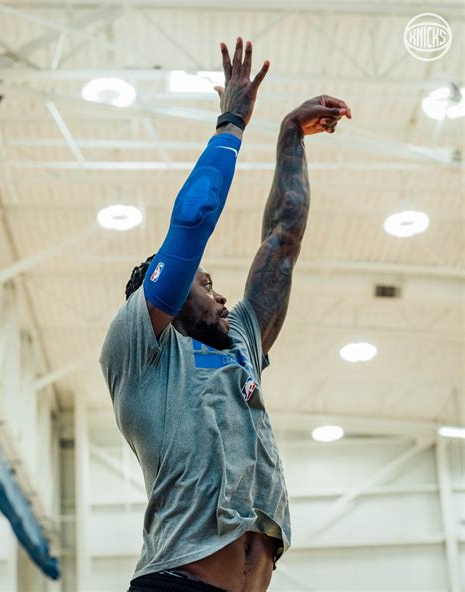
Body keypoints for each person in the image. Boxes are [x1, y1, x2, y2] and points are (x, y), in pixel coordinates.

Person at [100, 37, 351, 592]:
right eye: (203, 283)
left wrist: (290, 137)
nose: (219, 296)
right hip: (174, 583)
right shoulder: (138, 348)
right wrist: (233, 120)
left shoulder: (239, 340)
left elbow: (282, 239)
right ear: (160, 294)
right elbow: (192, 221)